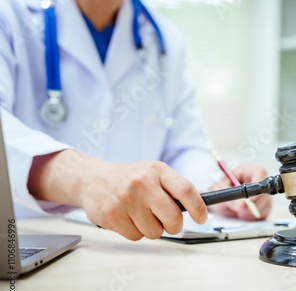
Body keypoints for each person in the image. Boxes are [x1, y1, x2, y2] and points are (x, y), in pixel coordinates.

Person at [0, 0, 272, 241]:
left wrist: (215, 188)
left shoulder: (164, 37)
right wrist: (88, 181)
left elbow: (184, 147)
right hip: (27, 241)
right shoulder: (9, 15)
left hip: (136, 250)